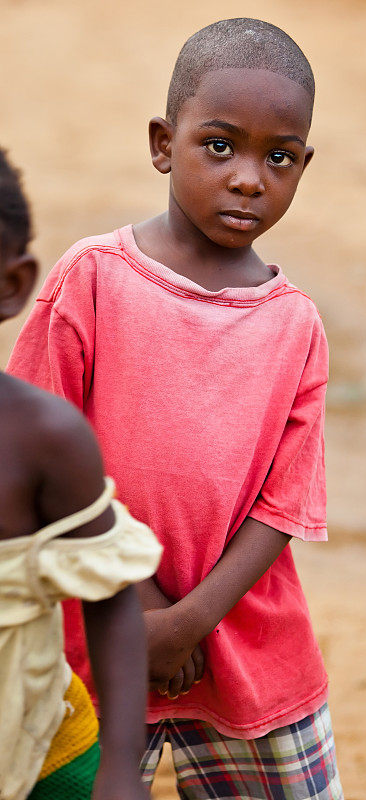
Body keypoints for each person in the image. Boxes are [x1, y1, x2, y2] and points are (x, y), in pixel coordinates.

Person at [8, 17, 344, 800]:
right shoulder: (91, 282)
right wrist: (141, 612)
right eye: (219, 146)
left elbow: (283, 505)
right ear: (164, 144)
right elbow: (34, 461)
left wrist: (187, 622)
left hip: (245, 647)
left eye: (279, 157)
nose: (248, 178)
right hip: (91, 634)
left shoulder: (294, 323)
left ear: (303, 166)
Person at [0, 149, 163, 799]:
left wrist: (122, 770)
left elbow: (111, 595)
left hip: (39, 753)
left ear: (11, 286)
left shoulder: (43, 438)